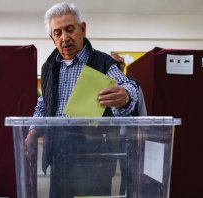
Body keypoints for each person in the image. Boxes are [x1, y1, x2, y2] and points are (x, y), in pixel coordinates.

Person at [26, 2, 139, 197]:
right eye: (58, 33)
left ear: (83, 29)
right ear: (52, 38)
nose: (65, 38)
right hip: (59, 156)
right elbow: (44, 104)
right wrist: (34, 129)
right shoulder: (48, 68)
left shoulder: (103, 62)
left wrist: (126, 95)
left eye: (70, 29)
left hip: (96, 157)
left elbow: (127, 85)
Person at [111, 52, 147, 197]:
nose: (116, 66)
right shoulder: (100, 85)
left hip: (129, 138)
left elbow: (142, 111)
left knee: (129, 175)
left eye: (119, 63)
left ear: (124, 65)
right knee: (108, 173)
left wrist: (143, 134)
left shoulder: (133, 84)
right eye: (112, 63)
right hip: (107, 139)